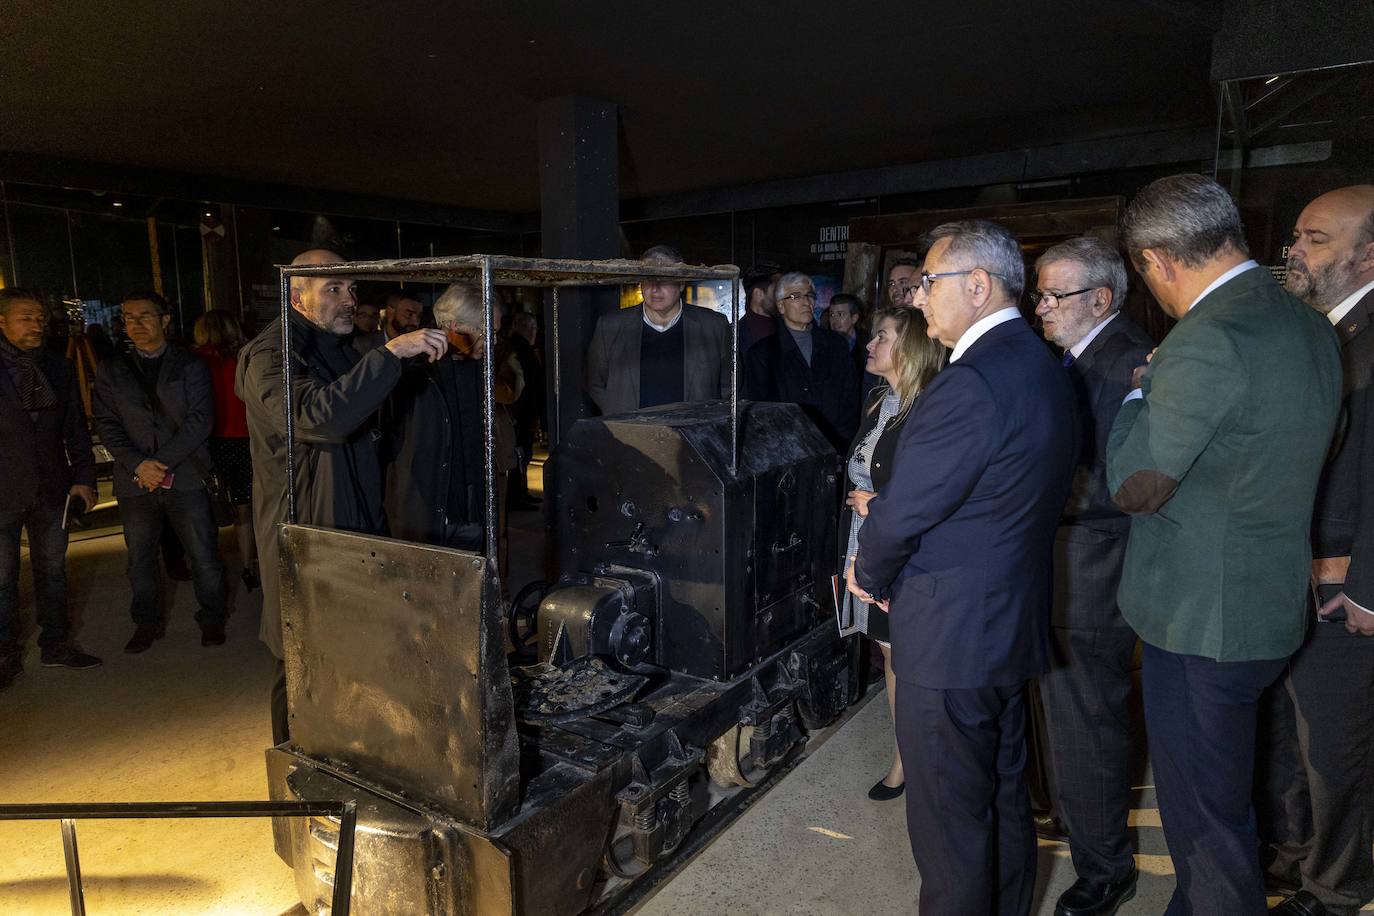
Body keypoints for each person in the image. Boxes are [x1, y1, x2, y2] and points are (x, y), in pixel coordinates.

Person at [1106, 173, 1342, 915]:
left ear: (1156, 262)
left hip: (1200, 619)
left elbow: (1136, 485)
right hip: (1265, 601)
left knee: (1207, 828)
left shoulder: (1205, 340)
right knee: (1224, 797)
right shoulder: (1307, 323)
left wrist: (1138, 395)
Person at [848, 219, 1079, 915]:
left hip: (950, 637)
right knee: (1003, 800)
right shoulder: (1039, 364)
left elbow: (902, 513)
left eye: (928, 283)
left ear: (976, 285)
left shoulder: (969, 383)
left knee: (950, 827)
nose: (918, 300)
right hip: (1006, 624)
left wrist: (870, 574)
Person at [236, 249, 448, 744]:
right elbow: (319, 417)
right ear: (297, 295)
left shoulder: (337, 345)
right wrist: (391, 354)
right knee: (300, 664)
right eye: (333, 289)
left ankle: (343, 766)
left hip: (352, 520)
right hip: (305, 531)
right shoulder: (271, 355)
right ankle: (294, 782)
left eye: (352, 289)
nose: (349, 300)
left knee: (352, 658)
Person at [1030, 236, 1154, 916]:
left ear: (1100, 299)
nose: (1041, 307)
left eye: (1054, 295)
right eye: (1041, 293)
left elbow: (1118, 484)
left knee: (1088, 722)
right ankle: (1080, 826)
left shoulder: (1124, 363)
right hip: (1066, 562)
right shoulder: (1081, 358)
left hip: (1092, 565)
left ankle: (1106, 869)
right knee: (1066, 716)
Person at [1260, 184, 1374, 916]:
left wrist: (1367, 586)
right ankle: (1298, 861)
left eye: (1316, 239)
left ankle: (1335, 891)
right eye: (1296, 238)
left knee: (1336, 751)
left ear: (1369, 254)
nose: (1295, 252)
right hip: (1295, 578)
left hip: (1343, 587)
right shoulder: (1324, 330)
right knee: (1295, 738)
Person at [837, 307, 944, 802]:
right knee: (889, 655)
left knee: (910, 658)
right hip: (870, 543)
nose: (869, 344)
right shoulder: (880, 400)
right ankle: (906, 758)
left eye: (881, 336)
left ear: (910, 347)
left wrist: (877, 503)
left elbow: (939, 492)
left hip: (906, 553)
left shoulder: (930, 406)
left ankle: (919, 763)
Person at [93, 291, 228, 652]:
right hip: (135, 480)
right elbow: (106, 423)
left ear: (165, 320)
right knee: (139, 559)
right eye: (128, 317)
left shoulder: (190, 365)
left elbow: (200, 421)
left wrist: (160, 463)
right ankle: (146, 622)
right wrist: (138, 464)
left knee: (203, 553)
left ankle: (212, 616)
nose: (135, 324)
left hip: (185, 475)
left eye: (144, 316)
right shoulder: (112, 369)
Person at [0, 288, 101, 689]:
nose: (37, 324)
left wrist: (84, 477)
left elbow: (75, 427)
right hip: (3, 491)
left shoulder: (57, 368)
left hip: (52, 488)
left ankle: (56, 644)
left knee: (53, 571)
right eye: (26, 317)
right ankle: (5, 653)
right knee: (2, 579)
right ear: (2, 321)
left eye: (40, 317)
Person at [586, 245, 731, 416]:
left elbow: (730, 385)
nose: (655, 288)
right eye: (648, 278)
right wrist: (620, 415)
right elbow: (594, 383)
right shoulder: (610, 326)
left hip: (691, 434)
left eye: (665, 278)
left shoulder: (714, 325)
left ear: (681, 283)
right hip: (631, 435)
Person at [744, 271, 859, 453]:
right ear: (781, 306)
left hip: (835, 448)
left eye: (809, 296)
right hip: (788, 452)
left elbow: (850, 400)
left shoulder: (835, 344)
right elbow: (763, 412)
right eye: (796, 296)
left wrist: (840, 445)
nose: (806, 302)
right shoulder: (763, 353)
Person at [191, 309, 259, 591]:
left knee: (209, 505)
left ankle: (210, 565)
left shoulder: (194, 360)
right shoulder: (247, 355)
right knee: (245, 505)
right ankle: (248, 565)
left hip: (209, 439)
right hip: (246, 437)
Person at [506, 310, 545, 511]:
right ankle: (517, 496)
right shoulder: (522, 351)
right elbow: (530, 386)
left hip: (520, 413)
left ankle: (520, 493)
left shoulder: (516, 348)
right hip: (521, 414)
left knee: (522, 456)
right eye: (534, 329)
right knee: (520, 455)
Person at [736, 263, 782, 359]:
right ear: (758, 294)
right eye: (777, 291)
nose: (783, 296)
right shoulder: (732, 335)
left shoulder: (790, 329)